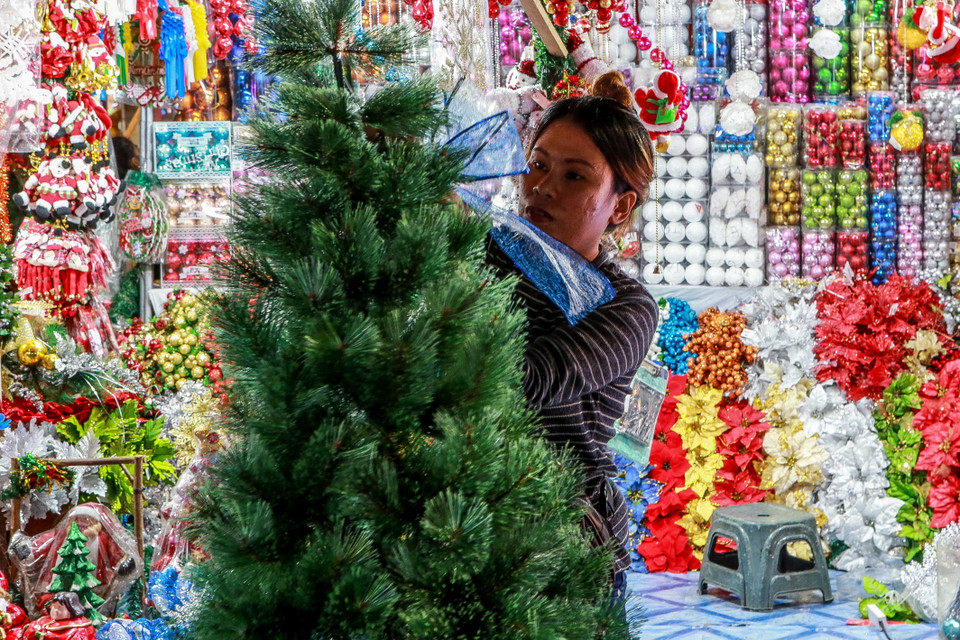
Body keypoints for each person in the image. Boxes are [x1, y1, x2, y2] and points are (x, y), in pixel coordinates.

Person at [485, 71, 659, 605]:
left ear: (620, 206)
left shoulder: (624, 306)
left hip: (563, 533)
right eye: (538, 164)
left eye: (576, 177)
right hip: (462, 509)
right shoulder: (479, 250)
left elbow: (526, 383)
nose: (543, 186)